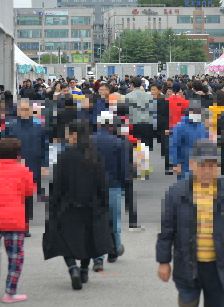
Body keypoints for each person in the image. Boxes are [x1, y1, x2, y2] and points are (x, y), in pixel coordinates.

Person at [156, 138, 224, 307]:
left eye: (212, 165)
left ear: (219, 166)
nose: (207, 170)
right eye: (202, 165)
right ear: (192, 164)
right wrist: (163, 261)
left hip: (220, 266)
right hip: (187, 263)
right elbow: (167, 230)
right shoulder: (176, 193)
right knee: (187, 302)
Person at [43, 120, 114, 290]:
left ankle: (72, 267)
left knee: (64, 238)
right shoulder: (94, 156)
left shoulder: (64, 156)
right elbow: (102, 183)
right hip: (91, 205)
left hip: (67, 205)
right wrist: (104, 204)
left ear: (74, 135)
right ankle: (83, 270)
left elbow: (57, 185)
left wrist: (52, 204)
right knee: (87, 239)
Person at [0, 138, 35, 303]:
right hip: (15, 218)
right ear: (17, 154)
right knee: (15, 257)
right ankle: (10, 292)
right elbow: (29, 193)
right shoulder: (24, 170)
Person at [90, 112, 130, 272]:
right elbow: (124, 169)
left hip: (94, 186)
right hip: (113, 185)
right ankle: (115, 248)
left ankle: (98, 257)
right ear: (112, 125)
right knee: (114, 220)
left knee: (97, 221)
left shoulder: (90, 141)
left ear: (99, 123)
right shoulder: (119, 142)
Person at [169, 99, 208, 181]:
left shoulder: (203, 126)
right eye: (194, 112)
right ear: (189, 112)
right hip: (184, 163)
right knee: (184, 189)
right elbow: (174, 146)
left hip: (200, 164)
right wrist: (176, 164)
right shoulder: (180, 126)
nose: (196, 114)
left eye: (198, 112)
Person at [124, 76, 155, 151]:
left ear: (132, 84)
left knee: (134, 149)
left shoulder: (127, 96)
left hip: (133, 124)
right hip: (147, 124)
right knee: (144, 149)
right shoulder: (149, 96)